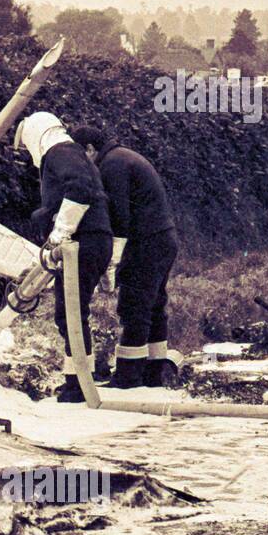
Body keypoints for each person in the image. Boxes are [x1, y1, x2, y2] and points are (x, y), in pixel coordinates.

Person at [69, 125, 179, 388]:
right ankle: (153, 371)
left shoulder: (111, 166)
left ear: (90, 150)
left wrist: (111, 260)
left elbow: (119, 218)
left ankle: (128, 376)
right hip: (163, 238)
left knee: (134, 306)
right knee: (153, 305)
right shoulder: (123, 156)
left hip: (146, 243)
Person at [14, 112, 112, 403]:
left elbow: (79, 190)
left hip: (83, 242)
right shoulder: (71, 152)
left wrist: (59, 234)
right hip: (92, 239)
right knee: (72, 312)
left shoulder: (60, 152)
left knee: (70, 312)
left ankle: (79, 385)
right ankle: (78, 379)